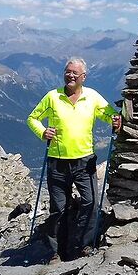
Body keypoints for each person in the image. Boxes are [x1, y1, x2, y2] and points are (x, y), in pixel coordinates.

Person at [27, 57, 121, 261]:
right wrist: (43, 132)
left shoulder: (93, 97)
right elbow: (32, 118)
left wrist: (115, 120)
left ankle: (82, 245)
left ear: (83, 77)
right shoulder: (52, 97)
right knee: (58, 208)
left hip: (84, 161)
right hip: (57, 161)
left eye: (74, 73)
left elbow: (109, 115)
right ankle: (55, 251)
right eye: (67, 71)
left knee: (91, 202)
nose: (69, 75)